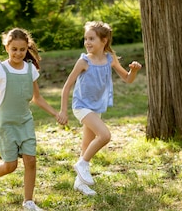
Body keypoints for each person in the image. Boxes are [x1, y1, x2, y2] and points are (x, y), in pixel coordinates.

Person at [0, 28, 66, 211]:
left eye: (22, 50)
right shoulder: (0, 69)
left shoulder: (31, 69)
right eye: (14, 49)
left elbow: (37, 98)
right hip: (6, 124)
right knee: (10, 165)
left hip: (25, 121)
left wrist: (55, 113)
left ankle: (28, 202)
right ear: (6, 47)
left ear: (27, 48)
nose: (18, 53)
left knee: (30, 160)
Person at [59, 21, 142, 196]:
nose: (87, 42)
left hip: (97, 108)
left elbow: (128, 79)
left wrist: (133, 70)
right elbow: (67, 86)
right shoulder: (83, 61)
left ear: (104, 41)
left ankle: (80, 183)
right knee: (104, 136)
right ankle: (82, 164)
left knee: (87, 145)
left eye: (91, 39)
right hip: (81, 106)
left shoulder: (109, 59)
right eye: (85, 39)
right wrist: (63, 111)